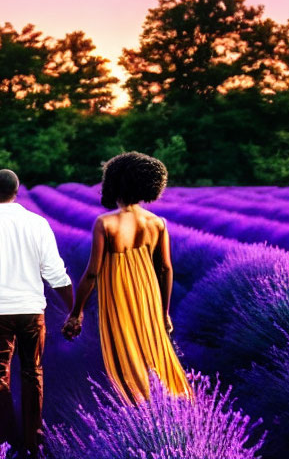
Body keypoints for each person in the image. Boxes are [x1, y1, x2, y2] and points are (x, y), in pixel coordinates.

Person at [0, 169, 73, 459]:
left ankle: (5, 444)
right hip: (32, 312)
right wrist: (74, 310)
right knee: (33, 372)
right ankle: (34, 442)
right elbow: (55, 273)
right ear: (17, 190)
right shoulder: (37, 223)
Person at [61, 151, 192, 405]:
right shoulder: (157, 223)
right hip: (148, 295)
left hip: (119, 296)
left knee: (128, 356)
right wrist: (164, 312)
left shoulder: (105, 223)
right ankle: (170, 404)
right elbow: (165, 269)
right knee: (154, 350)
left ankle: (142, 410)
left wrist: (76, 312)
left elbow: (92, 273)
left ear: (116, 183)